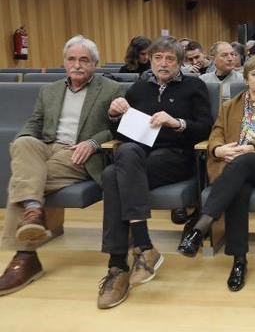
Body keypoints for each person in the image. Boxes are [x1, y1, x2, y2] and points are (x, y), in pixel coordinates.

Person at [0, 35, 123, 296]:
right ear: (64, 62)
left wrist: (92, 142)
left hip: (80, 154)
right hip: (48, 146)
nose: (77, 65)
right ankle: (33, 210)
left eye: (84, 60)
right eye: (71, 59)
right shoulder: (50, 90)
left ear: (95, 63)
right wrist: (23, 138)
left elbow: (118, 129)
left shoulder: (111, 89)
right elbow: (34, 123)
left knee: (20, 182)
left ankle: (24, 257)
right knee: (22, 145)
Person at [97, 37, 213, 309]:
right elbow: (120, 133)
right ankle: (139, 251)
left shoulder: (194, 86)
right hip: (138, 157)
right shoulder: (137, 89)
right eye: (158, 58)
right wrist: (114, 115)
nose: (163, 63)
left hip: (177, 156)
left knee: (113, 174)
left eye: (170, 59)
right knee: (121, 159)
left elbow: (205, 128)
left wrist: (177, 123)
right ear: (149, 60)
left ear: (179, 62)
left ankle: (120, 263)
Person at [177, 55, 255, 291]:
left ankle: (200, 226)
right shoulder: (229, 106)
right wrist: (219, 149)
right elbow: (217, 133)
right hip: (231, 165)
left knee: (243, 164)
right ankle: (239, 260)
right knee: (238, 188)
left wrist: (251, 147)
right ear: (246, 78)